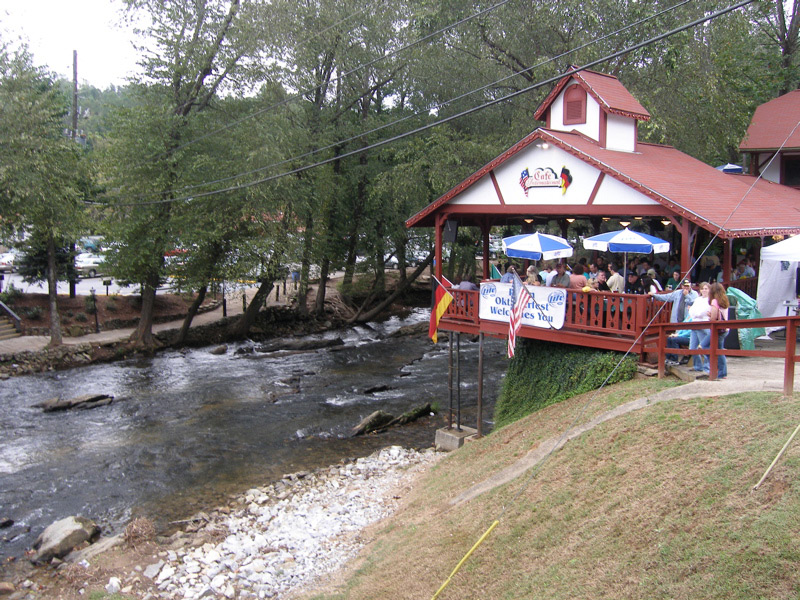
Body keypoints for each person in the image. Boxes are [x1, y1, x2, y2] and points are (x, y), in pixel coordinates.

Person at [699, 282, 730, 379]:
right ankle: (722, 372)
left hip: (717, 330)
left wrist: (710, 315)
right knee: (719, 350)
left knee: (703, 346)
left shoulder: (714, 301)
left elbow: (713, 317)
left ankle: (715, 368)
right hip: (725, 329)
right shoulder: (724, 300)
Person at [688, 282, 711, 372]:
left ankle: (707, 367)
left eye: (706, 288)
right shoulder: (697, 299)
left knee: (704, 347)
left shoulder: (710, 300)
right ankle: (698, 366)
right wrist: (696, 314)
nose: (704, 290)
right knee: (693, 348)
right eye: (702, 289)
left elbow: (705, 311)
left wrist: (697, 314)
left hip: (704, 324)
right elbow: (691, 311)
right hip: (695, 323)